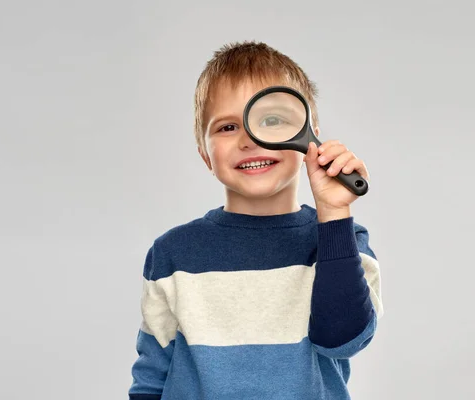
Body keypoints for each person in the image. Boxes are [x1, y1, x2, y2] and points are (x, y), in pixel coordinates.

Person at [128, 40, 384, 400]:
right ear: (205, 155)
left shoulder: (342, 238)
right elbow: (152, 376)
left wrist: (334, 212)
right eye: (227, 128)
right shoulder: (173, 253)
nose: (249, 139)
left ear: (308, 137)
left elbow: (343, 339)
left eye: (272, 121)